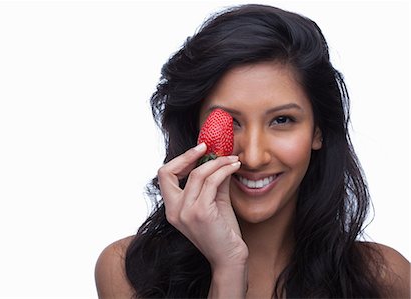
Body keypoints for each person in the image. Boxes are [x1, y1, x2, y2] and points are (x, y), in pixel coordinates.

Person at [95, 4, 410, 298]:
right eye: (230, 122)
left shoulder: (384, 278)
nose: (255, 157)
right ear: (194, 131)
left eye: (282, 120)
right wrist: (228, 270)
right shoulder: (128, 272)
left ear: (318, 130)